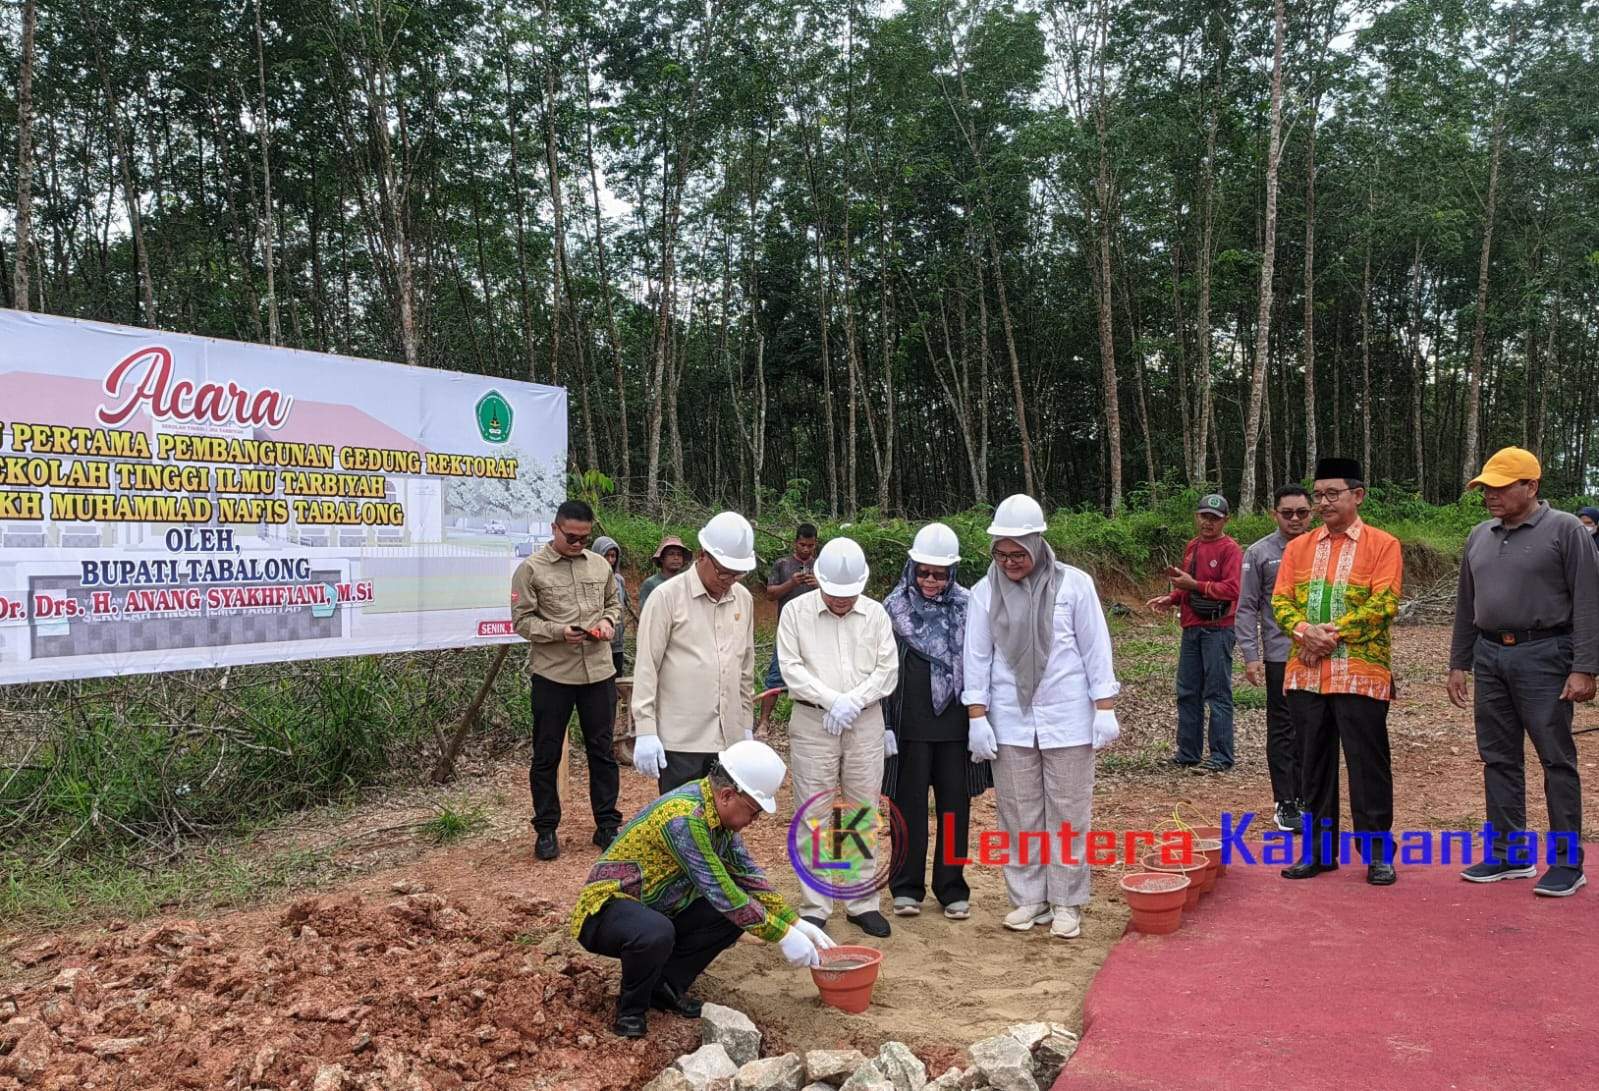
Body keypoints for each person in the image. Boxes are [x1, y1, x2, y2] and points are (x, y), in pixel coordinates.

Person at [570, 740, 836, 1039]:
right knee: (659, 930)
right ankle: (631, 1010)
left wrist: (795, 922)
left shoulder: (719, 818)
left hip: (657, 907)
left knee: (727, 916)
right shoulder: (684, 818)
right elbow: (721, 891)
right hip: (605, 911)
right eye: (754, 811)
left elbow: (748, 876)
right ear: (727, 795)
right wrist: (782, 935)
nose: (754, 820)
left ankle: (664, 987)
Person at [964, 494, 1120, 940]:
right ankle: (1029, 898)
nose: (1010, 562)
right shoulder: (984, 592)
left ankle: (1067, 901)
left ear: (1037, 544)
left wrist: (1103, 706)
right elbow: (976, 658)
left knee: (1069, 813)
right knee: (1018, 811)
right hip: (1011, 719)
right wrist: (978, 716)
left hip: (1068, 716)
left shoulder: (1075, 585)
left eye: (1019, 553)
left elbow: (1095, 648)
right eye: (1001, 553)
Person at [1447, 447, 1596, 897]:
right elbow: (1466, 606)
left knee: (1555, 758)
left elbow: (1590, 601)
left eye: (1500, 487)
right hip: (1491, 655)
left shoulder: (1566, 530)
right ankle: (1510, 853)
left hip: (1545, 654)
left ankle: (1568, 862)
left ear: (1530, 486)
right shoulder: (1480, 536)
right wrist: (1460, 661)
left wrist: (1586, 667)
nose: (1490, 496)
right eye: (1486, 488)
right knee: (1498, 757)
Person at [1272, 457, 1402, 885]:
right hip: (1306, 674)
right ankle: (1319, 851)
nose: (1323, 502)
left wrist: (1329, 636)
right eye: (1319, 494)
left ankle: (1378, 853)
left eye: (1333, 494)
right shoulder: (1298, 547)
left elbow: (1384, 604)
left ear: (1357, 496)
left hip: (1360, 672)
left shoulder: (1384, 545)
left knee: (1368, 764)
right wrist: (1305, 631)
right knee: (1312, 764)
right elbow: (1280, 602)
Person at [777, 536, 899, 938]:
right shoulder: (795, 612)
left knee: (861, 810)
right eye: (834, 594)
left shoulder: (876, 615)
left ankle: (862, 902)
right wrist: (831, 701)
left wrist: (853, 702)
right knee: (813, 813)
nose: (842, 601)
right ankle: (816, 902)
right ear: (818, 582)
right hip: (814, 721)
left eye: (849, 595)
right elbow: (791, 667)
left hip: (864, 721)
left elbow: (887, 670)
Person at [511, 499, 624, 862]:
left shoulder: (599, 566)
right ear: (554, 529)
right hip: (553, 676)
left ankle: (607, 825)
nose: (577, 544)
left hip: (598, 673)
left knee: (602, 752)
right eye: (571, 537)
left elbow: (613, 605)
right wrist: (559, 631)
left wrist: (607, 623)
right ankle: (546, 829)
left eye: (584, 538)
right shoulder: (531, 569)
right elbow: (522, 622)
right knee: (546, 754)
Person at [883, 523, 984, 922]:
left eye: (939, 574)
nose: (930, 580)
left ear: (952, 573)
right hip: (909, 727)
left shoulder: (970, 606)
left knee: (955, 811)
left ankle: (952, 887)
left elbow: (982, 661)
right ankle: (906, 887)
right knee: (906, 811)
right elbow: (883, 671)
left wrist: (981, 719)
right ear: (912, 567)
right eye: (923, 571)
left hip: (956, 727)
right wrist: (886, 723)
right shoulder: (893, 609)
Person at [631, 512, 758, 795]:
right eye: (724, 572)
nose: (730, 580)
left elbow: (745, 669)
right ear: (702, 555)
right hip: (682, 741)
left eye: (737, 574)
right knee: (682, 825)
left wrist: (745, 725)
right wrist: (646, 728)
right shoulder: (666, 598)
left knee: (724, 826)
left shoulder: (743, 600)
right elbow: (647, 666)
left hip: (729, 740)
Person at [1235, 486, 1314, 830]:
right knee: (1283, 729)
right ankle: (1285, 802)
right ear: (1274, 514)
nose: (1295, 519)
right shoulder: (1259, 553)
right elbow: (1247, 606)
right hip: (1282, 656)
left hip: (1321, 655)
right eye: (1287, 513)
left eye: (1301, 512)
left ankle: (1310, 797)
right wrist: (1251, 655)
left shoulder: (1324, 549)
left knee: (1315, 730)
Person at [1146, 494, 1243, 773]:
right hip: (1191, 626)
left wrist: (1195, 585)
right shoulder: (1193, 546)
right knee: (1188, 691)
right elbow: (1187, 584)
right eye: (1204, 516)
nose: (1208, 522)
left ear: (1225, 519)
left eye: (1214, 518)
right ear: (1197, 517)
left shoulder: (1230, 549)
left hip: (1218, 628)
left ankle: (1222, 756)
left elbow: (1233, 589)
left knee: (1217, 691)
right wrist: (1172, 597)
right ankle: (1188, 751)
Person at [756, 525, 820, 735]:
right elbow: (771, 593)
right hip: (786, 632)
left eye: (810, 545)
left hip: (815, 632)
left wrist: (819, 585)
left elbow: (833, 595)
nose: (806, 549)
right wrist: (791, 583)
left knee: (815, 677)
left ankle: (813, 723)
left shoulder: (820, 566)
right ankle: (764, 722)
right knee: (775, 676)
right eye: (802, 544)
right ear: (795, 542)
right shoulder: (782, 565)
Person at [593, 535, 630, 677]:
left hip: (618, 640)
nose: (610, 560)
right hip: (599, 641)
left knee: (618, 681)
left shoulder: (619, 580)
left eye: (613, 556)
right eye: (606, 555)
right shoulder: (591, 581)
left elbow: (621, 606)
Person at [637, 536, 691, 616]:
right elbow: (645, 614)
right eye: (671, 554)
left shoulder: (687, 582)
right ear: (662, 558)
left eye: (679, 555)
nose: (676, 558)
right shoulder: (650, 584)